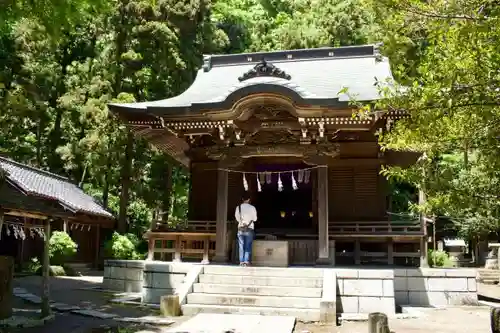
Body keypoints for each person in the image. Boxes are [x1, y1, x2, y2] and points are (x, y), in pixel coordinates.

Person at [234, 193, 257, 267]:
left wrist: (242, 221)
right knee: (248, 245)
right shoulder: (252, 208)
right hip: (249, 228)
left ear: (242, 199)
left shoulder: (238, 207)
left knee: (241, 245)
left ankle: (241, 262)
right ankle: (246, 261)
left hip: (241, 228)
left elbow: (237, 218)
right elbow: (255, 219)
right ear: (249, 199)